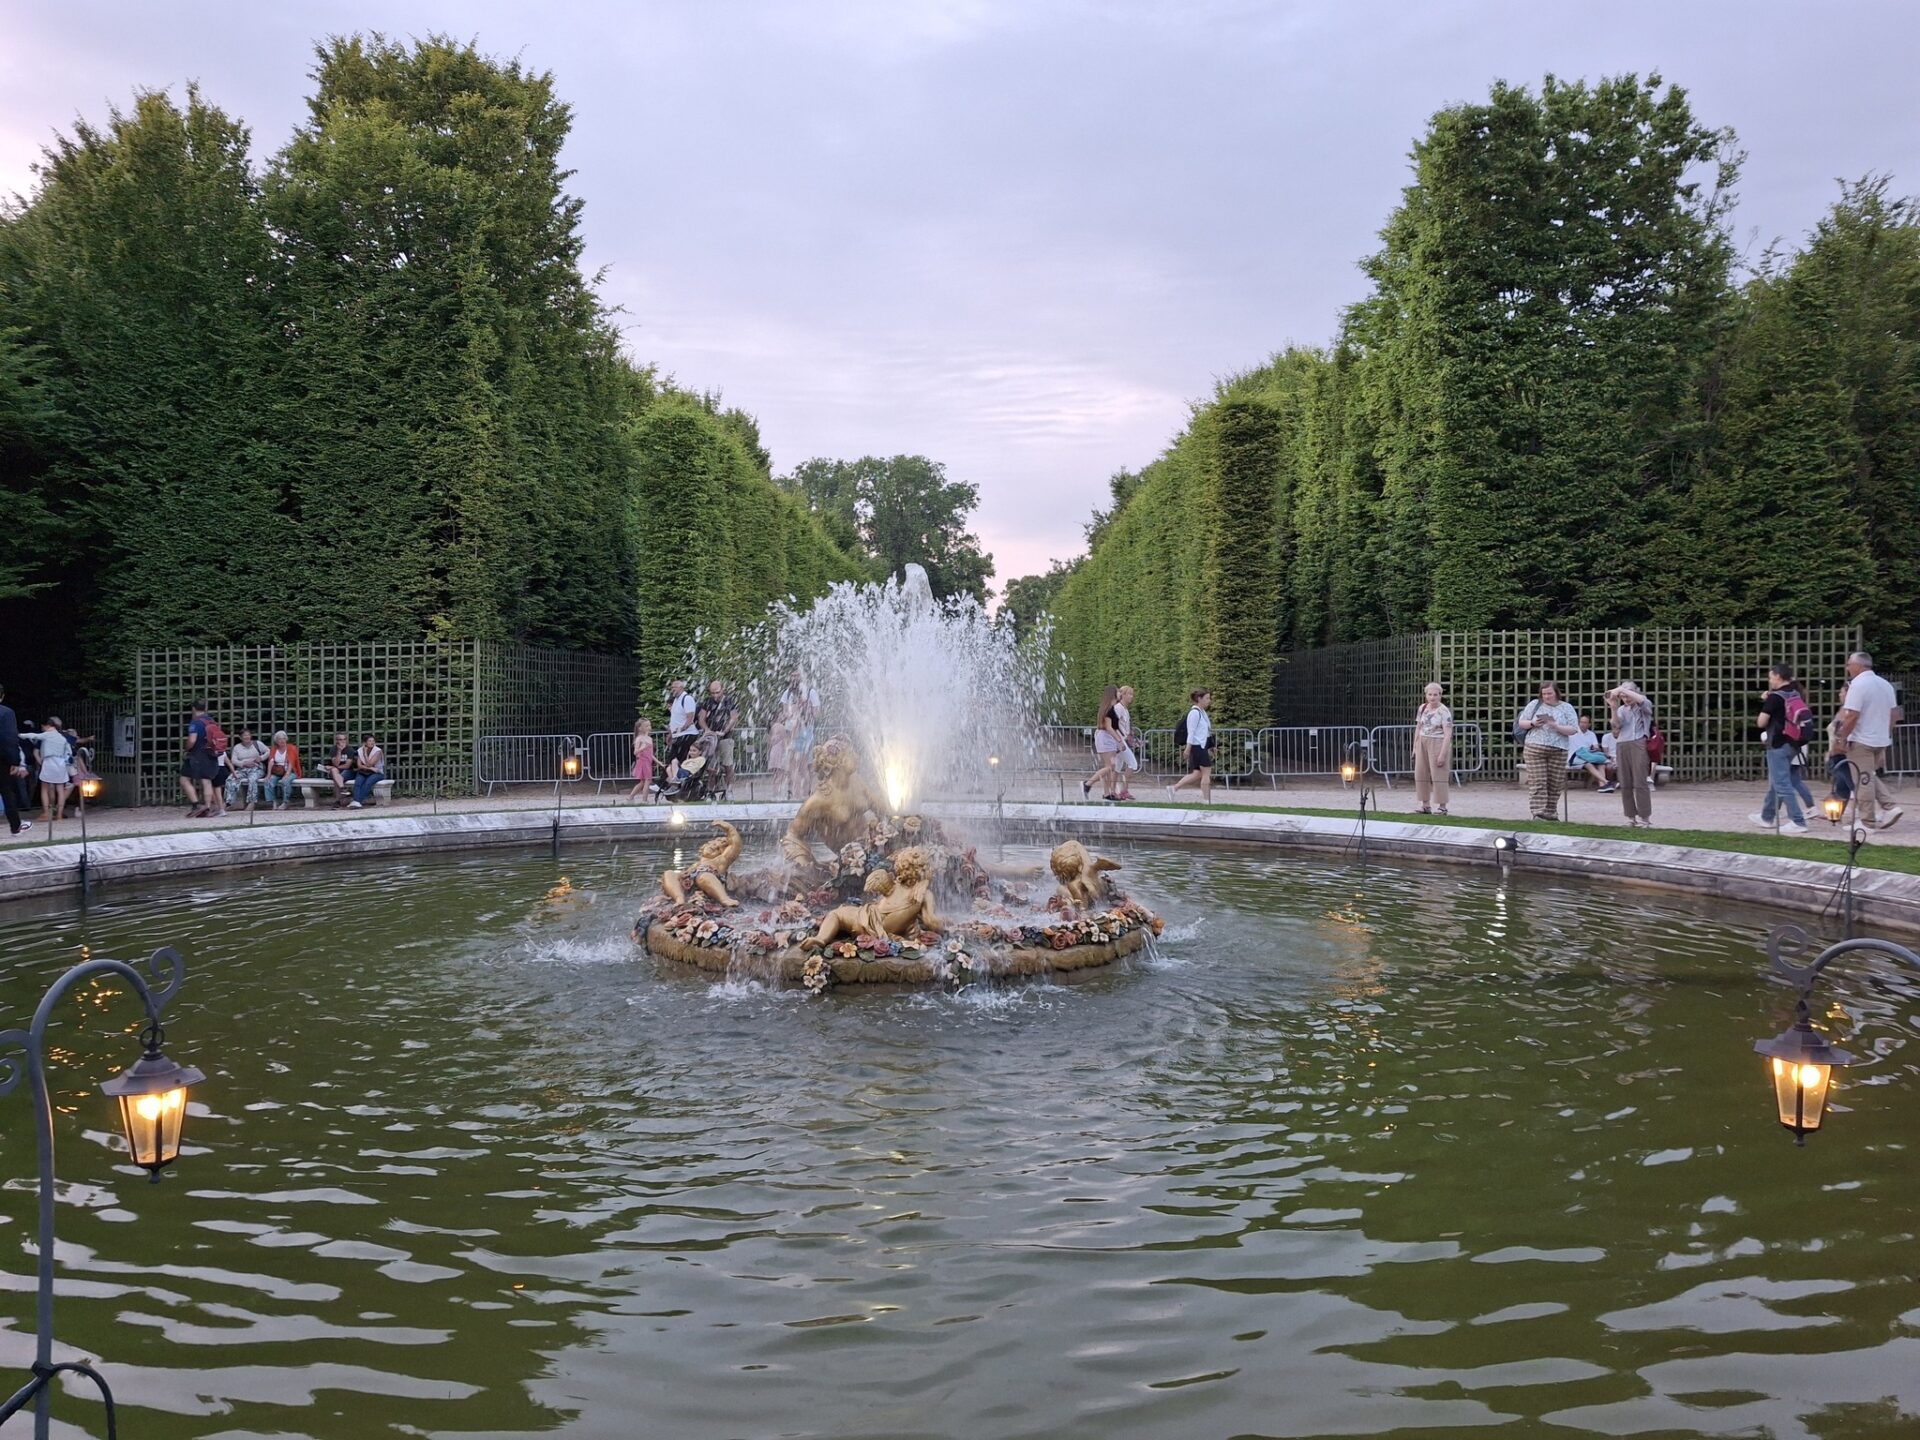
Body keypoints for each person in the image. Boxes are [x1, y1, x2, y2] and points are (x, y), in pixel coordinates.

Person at [1831, 651, 1903, 832]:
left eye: (1849, 664)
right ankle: (1889, 807)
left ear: (1858, 666)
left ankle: (1867, 822)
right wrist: (1886, 735)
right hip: (1880, 738)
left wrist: (1842, 737)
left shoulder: (1858, 685)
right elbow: (1894, 715)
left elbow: (1852, 715)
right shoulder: (1885, 685)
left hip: (1862, 739)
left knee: (1862, 781)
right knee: (1869, 776)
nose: (1847, 668)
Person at [1751, 663, 1812, 834]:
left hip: (1777, 742)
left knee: (1782, 783)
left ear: (1778, 676)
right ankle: (1767, 816)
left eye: (1770, 677)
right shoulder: (1795, 693)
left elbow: (1761, 722)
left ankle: (1798, 821)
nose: (1769, 680)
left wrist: (1766, 704)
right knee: (1777, 781)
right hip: (1793, 742)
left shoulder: (1775, 698)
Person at [1516, 682, 1578, 821]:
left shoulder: (1566, 707)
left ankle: (1550, 813)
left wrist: (1556, 726)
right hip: (1535, 746)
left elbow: (1573, 729)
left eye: (1549, 693)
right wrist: (1533, 723)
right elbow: (1522, 722)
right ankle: (1538, 812)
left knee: (1555, 783)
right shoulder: (1534, 704)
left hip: (1559, 748)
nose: (1547, 696)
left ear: (1556, 693)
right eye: (1544, 694)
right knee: (1538, 781)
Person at [1606, 680, 1655, 829]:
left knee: (1640, 782)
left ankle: (1645, 818)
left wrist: (1621, 689)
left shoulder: (1643, 705)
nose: (1626, 698)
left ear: (1635, 691)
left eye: (1628, 694)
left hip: (1638, 742)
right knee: (1625, 783)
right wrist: (1613, 708)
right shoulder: (1622, 709)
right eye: (1623, 696)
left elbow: (1641, 700)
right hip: (1622, 744)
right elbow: (1616, 727)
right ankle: (1630, 818)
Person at [23, 717, 74, 824]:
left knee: (45, 788)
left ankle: (47, 813)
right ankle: (59, 814)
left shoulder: (46, 736)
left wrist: (19, 735)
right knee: (60, 790)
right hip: (61, 764)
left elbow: (34, 739)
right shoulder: (63, 738)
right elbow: (69, 751)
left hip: (48, 762)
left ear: (48, 725)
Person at [1412, 682, 1453, 815]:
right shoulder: (1423, 708)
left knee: (1439, 774)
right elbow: (1418, 727)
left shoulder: (1444, 711)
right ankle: (1425, 804)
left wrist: (1442, 754)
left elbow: (1448, 734)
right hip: (1423, 741)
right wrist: (1415, 745)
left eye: (1435, 695)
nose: (1432, 697)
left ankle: (1442, 806)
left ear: (1440, 695)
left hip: (1438, 741)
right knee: (1421, 773)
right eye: (1430, 694)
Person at [179, 701, 225, 819]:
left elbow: (192, 740)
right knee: (207, 780)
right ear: (206, 708)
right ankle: (208, 806)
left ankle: (196, 805)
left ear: (193, 709)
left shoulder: (195, 723)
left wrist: (187, 748)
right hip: (211, 753)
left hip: (196, 755)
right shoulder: (211, 721)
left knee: (184, 779)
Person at [1169, 689, 1215, 803]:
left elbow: (1205, 732)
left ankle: (1174, 788)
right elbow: (1192, 732)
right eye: (1207, 698)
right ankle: (1206, 800)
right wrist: (1188, 748)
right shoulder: (1194, 713)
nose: (1209, 701)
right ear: (1199, 699)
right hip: (1197, 746)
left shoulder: (1202, 712)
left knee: (1197, 773)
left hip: (1201, 746)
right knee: (1206, 772)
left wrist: (1211, 746)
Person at [1083, 684, 1123, 801]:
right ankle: (1088, 784)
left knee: (1108, 766)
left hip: (1106, 737)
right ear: (1113, 694)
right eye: (1118, 691)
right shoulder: (1109, 709)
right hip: (1106, 738)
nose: (1120, 693)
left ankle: (1106, 793)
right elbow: (1109, 727)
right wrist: (1119, 740)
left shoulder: (1109, 708)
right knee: (1110, 767)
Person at [698, 680, 738, 794]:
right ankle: (711, 791)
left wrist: (724, 731)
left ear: (723, 689)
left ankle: (729, 790)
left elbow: (734, 718)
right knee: (711, 767)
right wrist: (707, 730)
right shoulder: (707, 702)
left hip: (726, 737)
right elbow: (701, 718)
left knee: (728, 765)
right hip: (711, 739)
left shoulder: (729, 701)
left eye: (717, 692)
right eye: (712, 693)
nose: (715, 695)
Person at [0, 683, 27, 836]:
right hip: (2, 759)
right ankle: (15, 826)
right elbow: (9, 738)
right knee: (6, 791)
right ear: (2, 696)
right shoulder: (6, 713)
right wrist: (15, 761)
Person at [224, 727, 270, 811]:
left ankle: (251, 802)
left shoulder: (257, 744)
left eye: (248, 735)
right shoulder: (237, 747)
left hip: (256, 768)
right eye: (244, 735)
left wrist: (261, 758)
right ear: (240, 737)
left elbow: (268, 751)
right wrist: (243, 763)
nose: (247, 737)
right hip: (242, 769)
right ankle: (229, 802)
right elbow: (233, 760)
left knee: (252, 779)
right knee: (231, 778)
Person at [1568, 714, 1613, 792]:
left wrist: (1595, 749)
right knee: (1588, 764)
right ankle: (1607, 782)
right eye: (1581, 722)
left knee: (1601, 764)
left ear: (1589, 724)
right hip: (1574, 757)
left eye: (1585, 722)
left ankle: (1602, 786)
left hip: (1588, 756)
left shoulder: (1591, 734)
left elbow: (1596, 746)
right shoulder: (1572, 732)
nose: (1583, 724)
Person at [1113, 684, 1141, 802]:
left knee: (1118, 767)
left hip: (1121, 741)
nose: (1131, 696)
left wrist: (1131, 738)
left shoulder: (1124, 709)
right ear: (1123, 695)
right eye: (1129, 694)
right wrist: (1121, 739)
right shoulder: (1119, 708)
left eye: (1132, 694)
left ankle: (1113, 791)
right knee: (1132, 764)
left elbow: (1123, 727)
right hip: (1120, 742)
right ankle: (1123, 790)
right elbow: (1114, 725)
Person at [262, 730, 302, 809]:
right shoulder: (274, 749)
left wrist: (287, 774)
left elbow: (291, 762)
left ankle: (285, 802)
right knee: (269, 781)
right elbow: (271, 762)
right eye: (279, 739)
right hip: (277, 771)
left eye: (283, 738)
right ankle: (273, 802)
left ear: (286, 739)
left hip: (290, 771)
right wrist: (268, 774)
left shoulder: (291, 748)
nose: (282, 740)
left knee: (286, 781)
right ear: (276, 741)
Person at [666, 680, 700, 768]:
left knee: (676, 759)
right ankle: (667, 780)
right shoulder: (676, 700)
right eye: (672, 688)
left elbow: (690, 717)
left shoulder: (687, 699)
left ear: (681, 688)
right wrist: (671, 734)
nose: (672, 690)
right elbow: (674, 719)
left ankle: (665, 780)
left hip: (686, 734)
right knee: (674, 759)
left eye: (675, 687)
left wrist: (681, 729)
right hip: (679, 735)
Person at [348, 733, 386, 809]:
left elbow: (369, 764)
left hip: (377, 773)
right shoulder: (360, 750)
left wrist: (365, 754)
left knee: (368, 782)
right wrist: (370, 768)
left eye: (373, 741)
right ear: (365, 743)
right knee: (358, 783)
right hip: (364, 771)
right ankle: (356, 802)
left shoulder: (378, 751)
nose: (372, 742)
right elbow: (359, 766)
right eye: (369, 741)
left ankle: (357, 801)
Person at [625, 717, 657, 803]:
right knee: (647, 780)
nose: (649, 728)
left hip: (648, 761)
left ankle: (630, 797)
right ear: (640, 728)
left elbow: (650, 754)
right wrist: (642, 748)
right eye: (646, 726)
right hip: (642, 762)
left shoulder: (649, 739)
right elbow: (635, 752)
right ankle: (644, 800)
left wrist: (658, 762)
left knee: (643, 782)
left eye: (649, 725)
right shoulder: (639, 738)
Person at [323, 730, 354, 807]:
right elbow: (336, 763)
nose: (343, 741)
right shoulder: (334, 749)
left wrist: (333, 767)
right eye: (340, 739)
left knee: (336, 776)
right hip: (336, 771)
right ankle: (343, 789)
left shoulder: (350, 749)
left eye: (344, 739)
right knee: (335, 772)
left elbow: (347, 766)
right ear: (336, 741)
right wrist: (339, 751)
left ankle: (337, 800)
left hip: (347, 771)